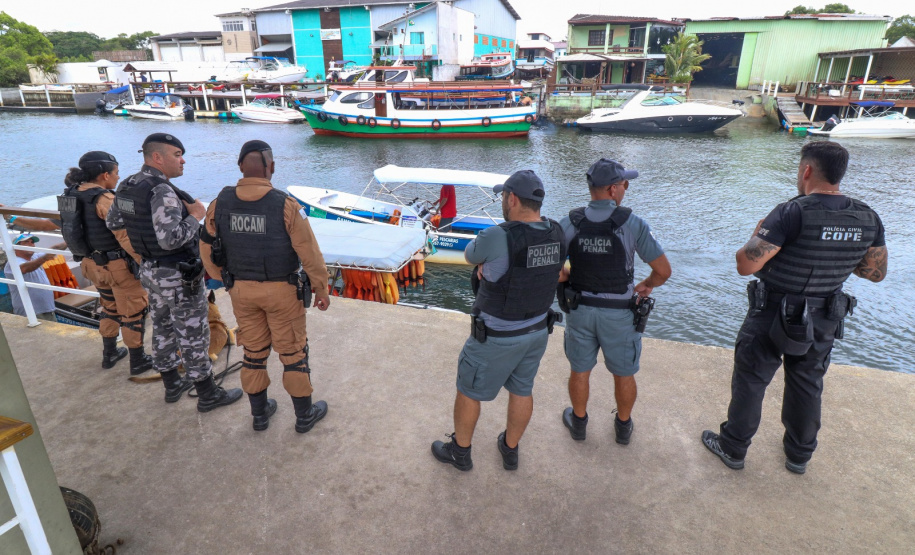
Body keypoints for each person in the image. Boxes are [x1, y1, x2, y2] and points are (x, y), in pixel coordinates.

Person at [702, 141, 887, 475]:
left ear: (806, 171)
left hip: (773, 313)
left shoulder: (791, 211)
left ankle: (733, 448)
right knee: (807, 383)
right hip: (825, 316)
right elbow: (875, 273)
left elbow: (745, 264)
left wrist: (758, 232)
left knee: (752, 381)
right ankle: (799, 456)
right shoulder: (868, 216)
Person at [431, 170, 564, 471]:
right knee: (522, 389)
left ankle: (461, 453)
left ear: (512, 198)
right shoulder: (557, 231)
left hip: (495, 336)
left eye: (503, 196)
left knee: (468, 390)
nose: (502, 201)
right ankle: (510, 448)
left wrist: (487, 267)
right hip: (537, 331)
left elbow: (469, 255)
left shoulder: (497, 235)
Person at [200, 140, 331, 432]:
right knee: (293, 354)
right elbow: (310, 253)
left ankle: (259, 416)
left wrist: (225, 279)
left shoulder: (219, 204)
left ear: (239, 167)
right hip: (281, 291)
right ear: (271, 167)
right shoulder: (285, 205)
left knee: (254, 352)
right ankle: (304, 416)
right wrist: (321, 289)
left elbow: (205, 248)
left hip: (240, 291)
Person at [107, 133, 242, 410]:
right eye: (177, 154)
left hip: (150, 272)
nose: (183, 161)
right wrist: (196, 215)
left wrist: (143, 247)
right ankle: (207, 394)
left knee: (163, 327)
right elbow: (170, 238)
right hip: (178, 275)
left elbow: (114, 220)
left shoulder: (128, 184)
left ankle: (172, 385)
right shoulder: (162, 190)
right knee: (193, 334)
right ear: (157, 157)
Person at [559, 159, 671, 445]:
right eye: (624, 184)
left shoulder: (570, 223)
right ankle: (622, 427)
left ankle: (579, 423)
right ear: (611, 189)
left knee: (580, 370)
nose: (626, 188)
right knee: (623, 373)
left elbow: (556, 270)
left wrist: (574, 274)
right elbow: (663, 271)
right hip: (620, 316)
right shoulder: (632, 224)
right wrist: (646, 285)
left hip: (580, 310)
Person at [59, 151, 153, 374]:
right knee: (133, 311)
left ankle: (109, 353)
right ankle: (138, 360)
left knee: (109, 308)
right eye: (116, 173)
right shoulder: (105, 199)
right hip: (117, 268)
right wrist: (147, 262)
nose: (118, 178)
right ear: (104, 175)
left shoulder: (70, 195)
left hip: (91, 265)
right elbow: (125, 236)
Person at [4, 233, 67, 321]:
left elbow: (55, 249)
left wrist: (70, 240)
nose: (31, 244)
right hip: (32, 313)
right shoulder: (12, 262)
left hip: (47, 309)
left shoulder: (35, 257)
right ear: (16, 247)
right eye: (26, 242)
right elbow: (25, 268)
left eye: (32, 242)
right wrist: (44, 258)